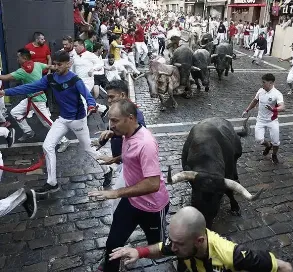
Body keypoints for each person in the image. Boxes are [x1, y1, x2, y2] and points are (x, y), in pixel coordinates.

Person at [0, 50, 112, 194]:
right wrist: (6, 92)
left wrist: (91, 105)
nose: (56, 67)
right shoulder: (50, 78)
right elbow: (30, 87)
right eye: (55, 64)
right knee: (47, 146)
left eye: (60, 64)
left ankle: (107, 169)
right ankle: (52, 183)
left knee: (87, 148)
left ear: (68, 64)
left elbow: (87, 95)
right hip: (62, 119)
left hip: (77, 120)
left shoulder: (75, 80)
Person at [88, 99, 169, 272]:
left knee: (159, 248)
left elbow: (153, 183)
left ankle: (187, 256)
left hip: (152, 207)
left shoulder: (146, 144)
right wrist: (115, 157)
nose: (111, 125)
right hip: (131, 202)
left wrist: (116, 193)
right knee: (113, 244)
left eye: (115, 121)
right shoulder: (127, 133)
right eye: (110, 120)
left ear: (131, 118)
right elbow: (130, 154)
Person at [109, 206, 293, 272]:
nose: (172, 248)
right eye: (171, 240)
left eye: (178, 244)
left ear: (199, 240)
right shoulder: (180, 243)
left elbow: (285, 267)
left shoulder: (232, 256)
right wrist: (138, 251)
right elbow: (161, 247)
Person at [0, 49, 70, 151]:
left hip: (37, 100)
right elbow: (51, 66)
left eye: (18, 57)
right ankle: (29, 133)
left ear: (24, 58)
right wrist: (61, 67)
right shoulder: (37, 64)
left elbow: (5, 77)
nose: (17, 59)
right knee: (15, 112)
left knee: (47, 122)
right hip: (31, 99)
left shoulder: (22, 71)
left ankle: (64, 140)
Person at [242, 73, 285, 164]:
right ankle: (268, 145)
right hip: (260, 120)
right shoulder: (260, 91)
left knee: (276, 142)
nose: (262, 84)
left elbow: (282, 107)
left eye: (264, 82)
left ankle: (274, 154)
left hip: (272, 121)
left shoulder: (277, 94)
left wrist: (273, 109)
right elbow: (254, 101)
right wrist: (247, 110)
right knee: (259, 139)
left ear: (270, 83)